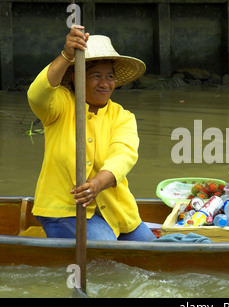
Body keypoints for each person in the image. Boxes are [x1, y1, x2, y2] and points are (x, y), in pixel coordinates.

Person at [27, 25, 155, 241]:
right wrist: (66, 55)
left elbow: (124, 155)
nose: (105, 84)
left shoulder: (122, 116)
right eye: (96, 75)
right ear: (77, 77)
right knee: (105, 252)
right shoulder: (61, 104)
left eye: (110, 77)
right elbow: (37, 95)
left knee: (154, 256)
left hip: (117, 212)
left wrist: (97, 184)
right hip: (64, 211)